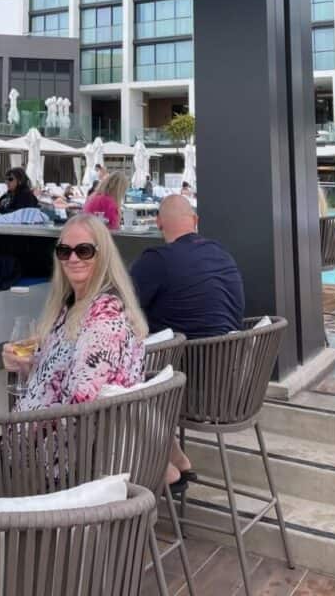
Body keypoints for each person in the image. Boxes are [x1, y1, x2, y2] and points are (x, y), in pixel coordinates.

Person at [0, 213, 147, 490]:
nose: (73, 259)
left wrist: (26, 429)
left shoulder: (103, 318)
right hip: (45, 446)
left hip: (58, 464)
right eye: (64, 251)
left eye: (84, 250)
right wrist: (28, 366)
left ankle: (16, 531)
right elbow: (65, 376)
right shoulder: (74, 307)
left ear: (103, 255)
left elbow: (81, 404)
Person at [130, 194, 245, 488]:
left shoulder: (156, 260)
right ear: (195, 222)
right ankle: (176, 459)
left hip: (186, 387)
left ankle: (160, 467)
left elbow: (121, 307)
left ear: (158, 223)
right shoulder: (224, 255)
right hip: (233, 384)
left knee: (122, 383)